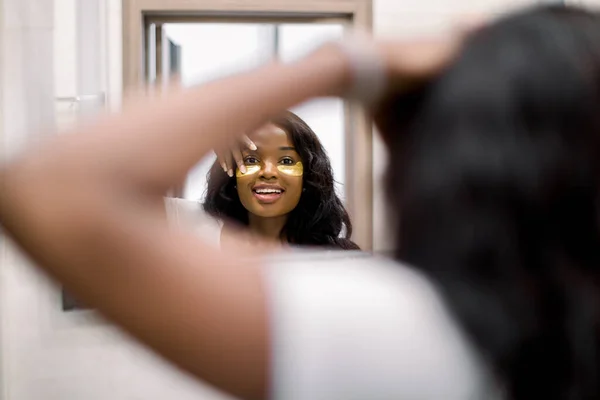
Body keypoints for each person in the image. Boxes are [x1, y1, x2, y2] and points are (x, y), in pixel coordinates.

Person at [0, 4, 595, 400]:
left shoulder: (385, 310)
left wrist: (345, 64)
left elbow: (55, 191)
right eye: (253, 156)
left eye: (286, 159)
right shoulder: (186, 226)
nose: (267, 171)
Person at [204, 110, 359, 249]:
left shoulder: (342, 257)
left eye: (286, 161)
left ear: (307, 177)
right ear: (231, 174)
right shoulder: (196, 235)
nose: (268, 172)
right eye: (251, 160)